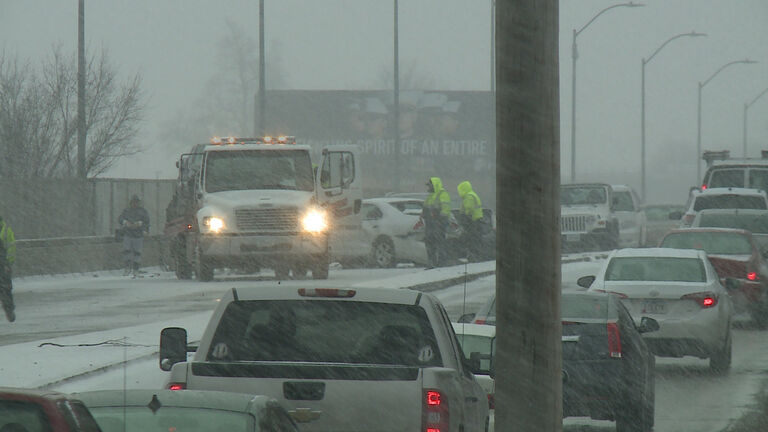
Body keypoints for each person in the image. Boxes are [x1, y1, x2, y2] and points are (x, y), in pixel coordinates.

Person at [118, 195, 150, 277]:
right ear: (131, 203)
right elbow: (120, 219)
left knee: (137, 253)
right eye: (133, 202)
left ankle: (136, 269)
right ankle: (127, 268)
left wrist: (140, 225)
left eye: (136, 202)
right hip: (128, 234)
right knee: (127, 251)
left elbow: (147, 222)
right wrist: (126, 223)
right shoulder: (126, 211)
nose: (135, 204)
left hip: (138, 235)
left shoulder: (143, 211)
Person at [423, 177, 451, 268]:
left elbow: (445, 209)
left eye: (429, 185)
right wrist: (424, 214)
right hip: (430, 223)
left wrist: (439, 218)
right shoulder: (431, 195)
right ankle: (432, 263)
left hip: (438, 223)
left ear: (434, 185)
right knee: (430, 243)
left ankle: (442, 263)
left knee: (440, 243)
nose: (428, 187)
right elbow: (426, 207)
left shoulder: (443, 194)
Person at [456, 181, 484, 262]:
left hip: (472, 221)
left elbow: (468, 209)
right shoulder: (473, 194)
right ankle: (476, 256)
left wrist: (465, 218)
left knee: (472, 240)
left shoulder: (469, 196)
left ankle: (473, 256)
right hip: (476, 221)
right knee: (476, 240)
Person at [0, 216, 16, 322]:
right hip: (4, 263)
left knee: (6, 288)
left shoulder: (6, 230)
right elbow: (11, 246)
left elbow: (11, 246)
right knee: (6, 288)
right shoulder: (6, 230)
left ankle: (9, 309)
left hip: (4, 263)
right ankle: (9, 309)